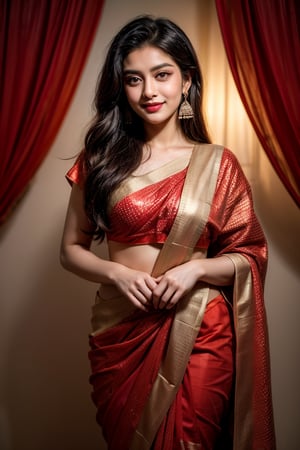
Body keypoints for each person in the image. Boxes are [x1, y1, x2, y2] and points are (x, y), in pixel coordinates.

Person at [60, 15, 276, 450]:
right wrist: (117, 274)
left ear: (186, 80)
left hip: (199, 328)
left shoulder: (219, 162)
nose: (149, 92)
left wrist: (193, 273)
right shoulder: (101, 158)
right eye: (133, 80)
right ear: (121, 87)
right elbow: (70, 250)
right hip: (121, 331)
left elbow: (249, 253)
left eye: (162, 75)